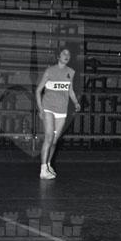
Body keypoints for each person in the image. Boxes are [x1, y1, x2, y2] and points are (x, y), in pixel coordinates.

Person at [35, 48, 81, 180]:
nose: (67, 55)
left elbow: (70, 90)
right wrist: (40, 109)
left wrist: (76, 102)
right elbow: (38, 91)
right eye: (64, 53)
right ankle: (43, 169)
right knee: (49, 137)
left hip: (62, 110)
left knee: (54, 141)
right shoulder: (50, 71)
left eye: (69, 53)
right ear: (58, 56)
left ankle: (48, 165)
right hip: (48, 108)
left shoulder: (70, 72)